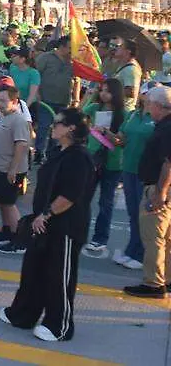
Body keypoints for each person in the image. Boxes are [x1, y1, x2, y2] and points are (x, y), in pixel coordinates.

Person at [1, 108, 97, 341]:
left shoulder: (79, 157)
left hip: (65, 226)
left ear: (71, 129)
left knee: (59, 276)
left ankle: (59, 325)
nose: (53, 127)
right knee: (33, 270)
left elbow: (71, 195)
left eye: (58, 124)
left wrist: (47, 214)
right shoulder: (58, 151)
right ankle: (23, 314)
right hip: (42, 223)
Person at [125, 85, 171, 299]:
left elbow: (168, 162)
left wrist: (159, 192)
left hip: (158, 188)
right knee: (166, 238)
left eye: (149, 103)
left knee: (153, 237)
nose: (147, 107)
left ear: (158, 105)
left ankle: (153, 283)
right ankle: (166, 278)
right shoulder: (164, 125)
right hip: (161, 187)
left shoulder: (167, 128)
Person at [0, 85, 35, 254]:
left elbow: (22, 145)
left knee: (9, 204)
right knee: (2, 202)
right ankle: (7, 231)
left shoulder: (19, 120)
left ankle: (19, 240)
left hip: (10, 169)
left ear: (14, 101)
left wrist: (13, 169)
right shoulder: (3, 116)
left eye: (3, 100)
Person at [83, 78, 126, 255]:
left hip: (112, 162)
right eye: (102, 90)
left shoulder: (124, 114)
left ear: (116, 94)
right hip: (93, 158)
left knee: (105, 202)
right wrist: (91, 95)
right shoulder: (95, 108)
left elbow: (121, 142)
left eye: (107, 91)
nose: (104, 94)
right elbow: (80, 113)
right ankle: (80, 232)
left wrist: (106, 132)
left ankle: (100, 238)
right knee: (84, 198)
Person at [116, 92, 154, 270]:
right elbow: (122, 138)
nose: (145, 96)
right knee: (132, 214)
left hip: (145, 172)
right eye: (145, 92)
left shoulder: (156, 117)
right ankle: (132, 250)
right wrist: (107, 135)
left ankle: (140, 254)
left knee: (142, 215)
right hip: (129, 168)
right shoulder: (133, 114)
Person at [35, 37, 73, 161]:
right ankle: (39, 153)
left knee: (59, 129)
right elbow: (36, 75)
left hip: (63, 101)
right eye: (69, 48)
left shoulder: (72, 61)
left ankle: (52, 153)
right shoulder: (46, 57)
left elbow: (76, 80)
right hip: (46, 100)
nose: (71, 51)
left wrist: (75, 98)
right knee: (44, 127)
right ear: (62, 46)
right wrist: (37, 94)